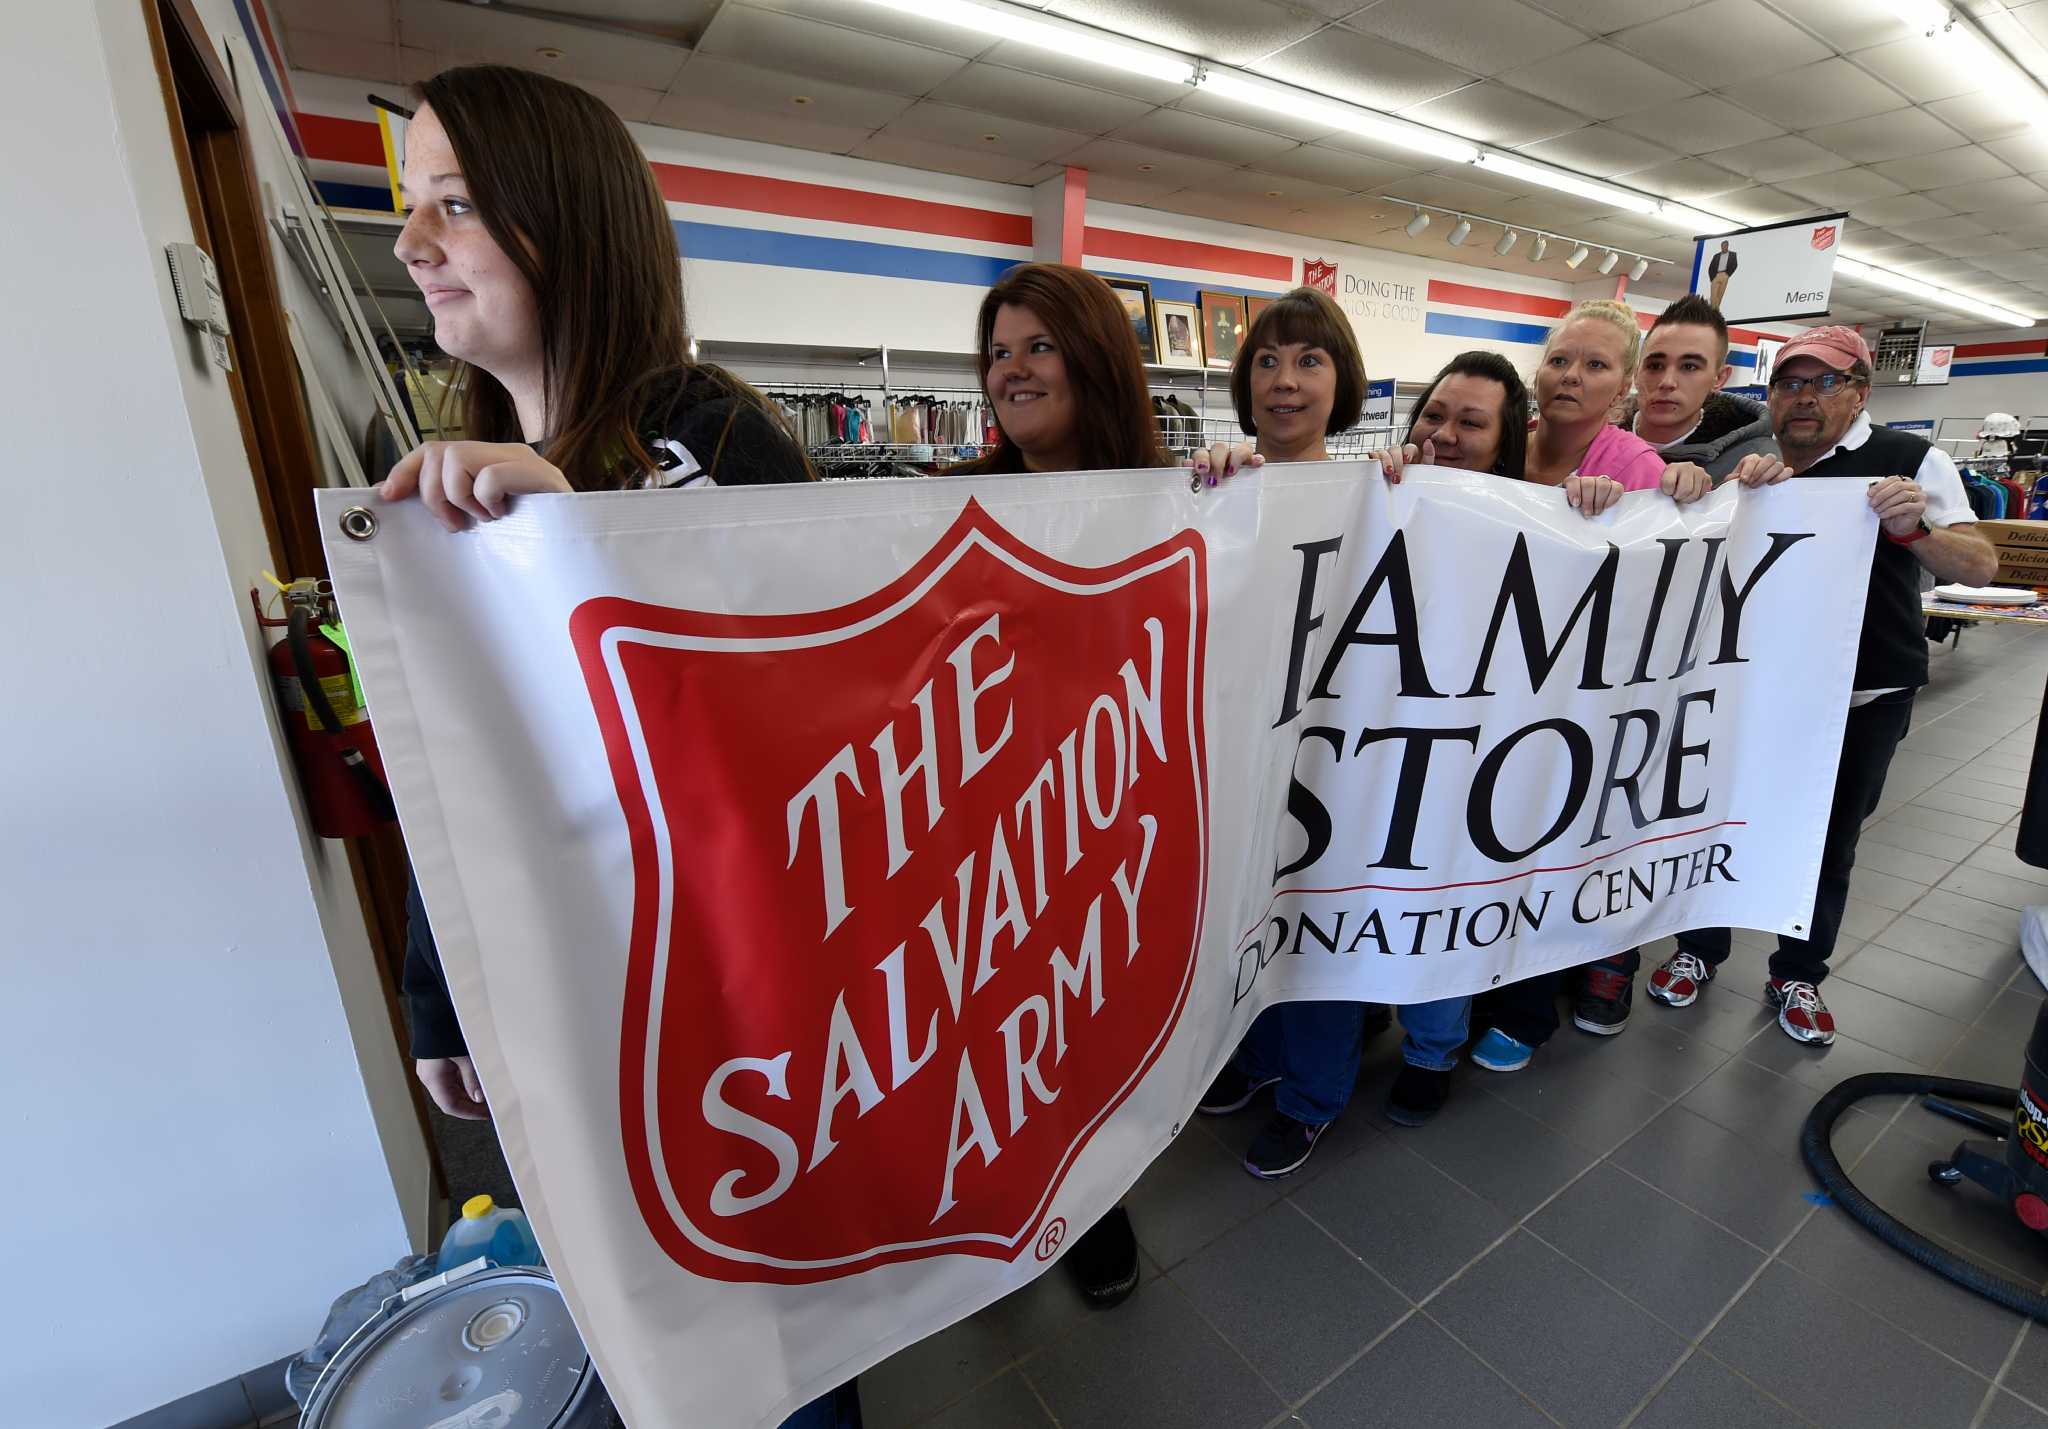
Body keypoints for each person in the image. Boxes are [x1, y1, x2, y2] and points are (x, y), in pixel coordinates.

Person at [372, 65, 860, 1429]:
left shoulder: (698, 429)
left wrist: (588, 533)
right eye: (416, 208)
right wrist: (433, 988)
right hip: (567, 1005)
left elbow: (822, 718)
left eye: (456, 206)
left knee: (773, 1338)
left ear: (566, 220)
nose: (413, 245)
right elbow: (454, 764)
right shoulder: (443, 468)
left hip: (735, 1017)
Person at [951, 261, 1259, 1297]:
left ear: (1093, 358)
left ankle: (1090, 1202)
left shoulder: (1176, 495)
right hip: (987, 828)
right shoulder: (948, 505)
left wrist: (1239, 486)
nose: (1012, 370)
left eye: (1037, 345)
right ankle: (990, 1202)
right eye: (997, 351)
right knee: (987, 1032)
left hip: (1111, 817)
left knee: (1085, 1021)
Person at [1644, 326, 1995, 1045]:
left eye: (1823, 383)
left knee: (1829, 839)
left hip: (1864, 695)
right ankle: (1699, 949)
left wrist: (1914, 526)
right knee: (1717, 819)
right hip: (1756, 691)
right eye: (1788, 384)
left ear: (1860, 391)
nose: (1802, 399)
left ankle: (1798, 970)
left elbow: (1980, 565)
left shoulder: (1908, 459)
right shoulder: (1759, 463)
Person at [1197, 286, 1440, 1167]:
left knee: (1315, 916)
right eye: (1266, 360)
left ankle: (1313, 1092)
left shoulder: (1378, 490)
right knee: (1243, 915)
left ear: (1343, 381)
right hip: (1239, 748)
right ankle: (1259, 1059)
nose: (1284, 381)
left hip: (1337, 752)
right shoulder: (1217, 484)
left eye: (1308, 360)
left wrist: (1410, 497)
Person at [1623, 295, 1776, 480]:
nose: (1667, 382)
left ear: (1719, 378)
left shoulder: (1752, 461)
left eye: (1689, 367)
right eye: (1655, 366)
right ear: (1637, 370)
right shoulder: (1592, 438)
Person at [1707, 240, 1738, 310]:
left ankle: (1715, 311)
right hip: (1716, 275)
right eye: (1722, 246)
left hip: (1725, 275)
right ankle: (1714, 311)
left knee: (1720, 295)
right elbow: (1710, 267)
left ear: (1727, 246)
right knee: (1713, 295)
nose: (1723, 247)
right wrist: (1712, 278)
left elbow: (1735, 265)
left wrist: (1728, 275)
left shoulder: (1733, 254)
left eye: (1724, 246)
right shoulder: (1716, 256)